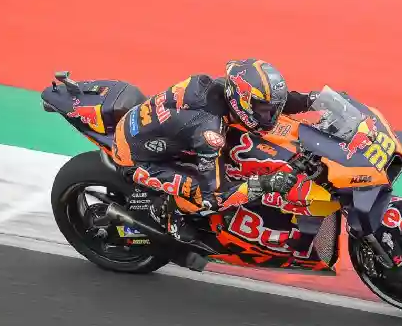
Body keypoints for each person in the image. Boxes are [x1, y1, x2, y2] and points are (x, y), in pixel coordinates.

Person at [110, 58, 317, 243]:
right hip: (136, 158)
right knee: (200, 192)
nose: (270, 115)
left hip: (158, 135)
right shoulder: (209, 131)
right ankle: (168, 213)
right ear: (242, 102)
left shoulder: (226, 89)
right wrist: (265, 183)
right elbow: (215, 195)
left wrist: (313, 100)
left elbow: (274, 101)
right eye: (264, 110)